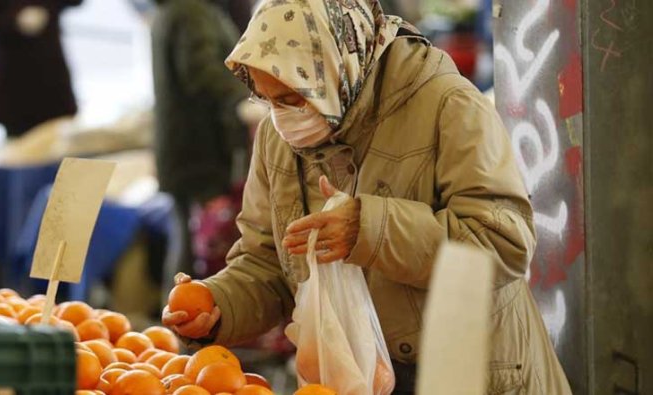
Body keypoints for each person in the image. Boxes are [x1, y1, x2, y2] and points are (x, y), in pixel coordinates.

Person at [162, 0, 572, 393]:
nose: (280, 117)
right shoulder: (277, 135)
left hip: (470, 372)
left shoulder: (448, 106)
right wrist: (219, 305)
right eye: (266, 99)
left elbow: (504, 242)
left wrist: (370, 229)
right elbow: (266, 258)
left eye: (291, 98)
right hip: (359, 375)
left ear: (338, 68)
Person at [150, 0, 249, 282]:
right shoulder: (191, 11)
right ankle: (179, 321)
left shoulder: (177, 9)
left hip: (184, 150)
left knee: (186, 247)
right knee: (195, 255)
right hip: (197, 152)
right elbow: (201, 72)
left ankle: (175, 320)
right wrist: (252, 95)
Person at [0, 0, 82, 138]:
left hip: (51, 72)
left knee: (62, 140)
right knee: (19, 143)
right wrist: (15, 20)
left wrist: (45, 9)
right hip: (14, 76)